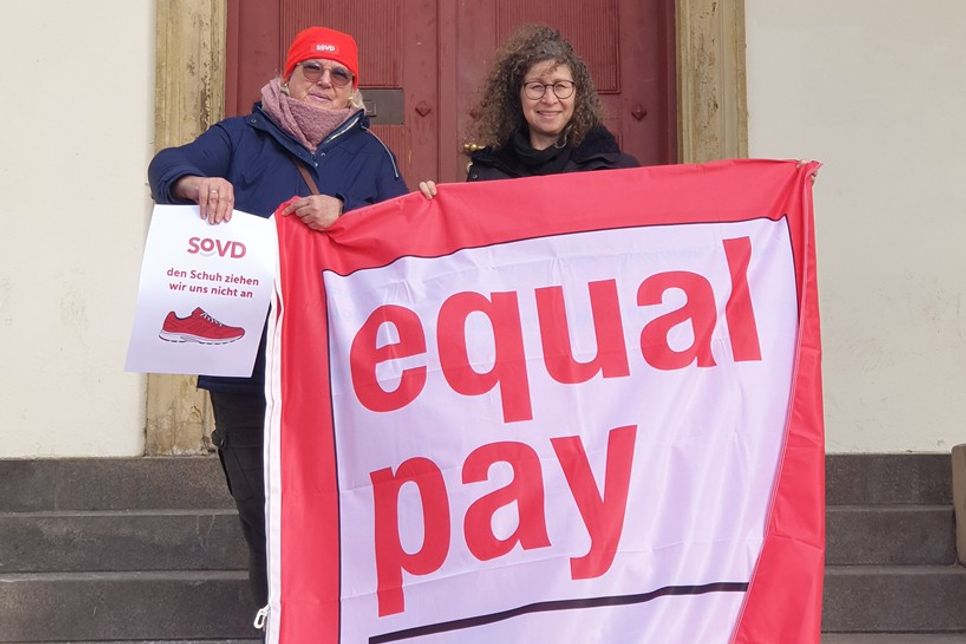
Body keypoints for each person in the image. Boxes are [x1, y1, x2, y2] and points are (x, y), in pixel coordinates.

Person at [148, 26, 407, 609]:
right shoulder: (240, 137)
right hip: (246, 360)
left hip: (338, 365)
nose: (324, 82)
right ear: (287, 76)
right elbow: (168, 165)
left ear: (352, 91)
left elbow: (398, 234)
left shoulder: (372, 155)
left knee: (340, 502)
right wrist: (198, 182)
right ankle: (280, 619)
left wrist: (347, 214)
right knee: (262, 505)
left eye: (339, 75)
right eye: (311, 70)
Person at [419, 24, 637, 197]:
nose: (549, 99)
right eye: (536, 87)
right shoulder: (487, 173)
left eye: (560, 86)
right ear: (517, 94)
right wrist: (432, 207)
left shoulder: (616, 170)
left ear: (577, 93)